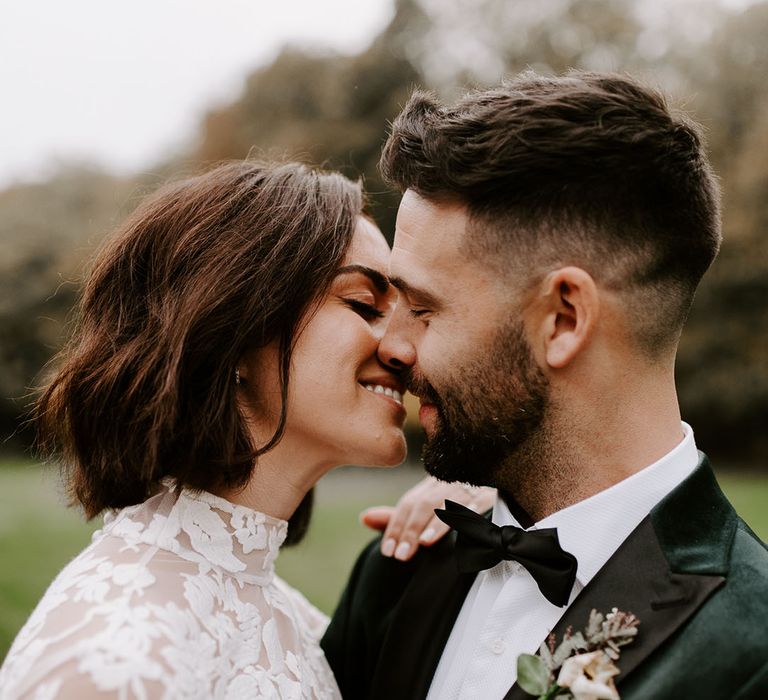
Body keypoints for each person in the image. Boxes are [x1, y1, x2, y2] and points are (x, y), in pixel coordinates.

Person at [321, 71, 768, 699]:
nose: (392, 346)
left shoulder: (750, 651)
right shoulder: (401, 567)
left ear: (563, 318)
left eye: (424, 310)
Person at [0, 160, 487, 699]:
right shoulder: (119, 657)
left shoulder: (285, 616)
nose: (402, 348)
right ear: (232, 326)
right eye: (364, 304)